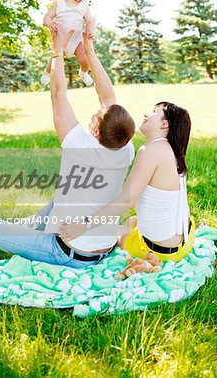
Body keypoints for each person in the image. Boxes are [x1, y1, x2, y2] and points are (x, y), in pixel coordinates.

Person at [0, 30, 135, 269]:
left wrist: (57, 51)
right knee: (54, 205)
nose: (96, 112)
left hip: (67, 252)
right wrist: (90, 51)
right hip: (100, 247)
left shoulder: (79, 145)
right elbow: (108, 97)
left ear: (96, 132)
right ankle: (26, 227)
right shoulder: (125, 147)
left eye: (96, 117)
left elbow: (58, 95)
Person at [59, 101, 195, 263]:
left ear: (165, 124)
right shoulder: (172, 149)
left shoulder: (150, 151)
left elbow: (127, 200)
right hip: (185, 240)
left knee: (115, 233)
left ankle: (126, 239)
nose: (146, 115)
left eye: (153, 112)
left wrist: (82, 226)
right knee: (131, 221)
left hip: (159, 253)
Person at [40, 0, 95, 87]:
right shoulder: (59, 3)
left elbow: (90, 21)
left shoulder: (84, 5)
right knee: (54, 60)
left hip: (76, 42)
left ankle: (83, 73)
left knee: (86, 61)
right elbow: (47, 17)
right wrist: (50, 23)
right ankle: (47, 73)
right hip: (60, 40)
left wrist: (90, 30)